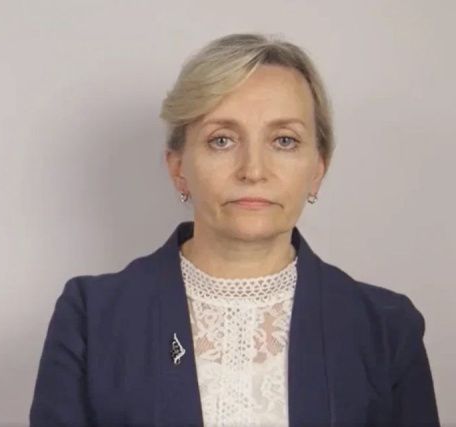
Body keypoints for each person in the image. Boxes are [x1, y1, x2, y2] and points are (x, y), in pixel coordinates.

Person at [28, 33, 440, 427]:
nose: (253, 171)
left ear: (317, 170)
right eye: (222, 140)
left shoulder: (387, 328)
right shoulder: (91, 317)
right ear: (178, 168)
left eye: (284, 140)